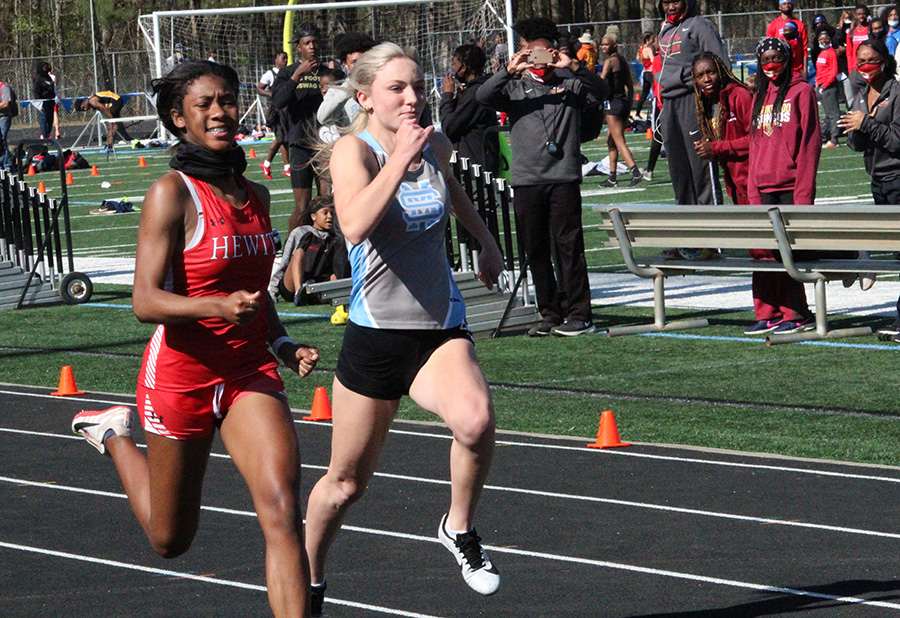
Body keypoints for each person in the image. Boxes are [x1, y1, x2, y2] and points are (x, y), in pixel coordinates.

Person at [69, 61, 319, 618]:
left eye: (226, 100)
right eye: (203, 104)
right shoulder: (170, 194)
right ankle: (112, 435)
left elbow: (256, 295)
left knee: (282, 511)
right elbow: (144, 301)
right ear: (179, 119)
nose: (219, 113)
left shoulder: (255, 193)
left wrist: (281, 344)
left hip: (248, 371)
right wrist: (216, 307)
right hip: (180, 374)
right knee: (169, 540)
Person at [302, 42, 504, 616]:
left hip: (439, 325)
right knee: (345, 484)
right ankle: (311, 575)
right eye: (397, 88)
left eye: (417, 85)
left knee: (476, 420)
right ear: (365, 96)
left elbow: (457, 193)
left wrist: (486, 244)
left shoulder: (432, 142)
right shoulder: (353, 151)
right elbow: (355, 225)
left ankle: (457, 528)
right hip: (378, 334)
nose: (413, 97)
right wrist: (399, 158)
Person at [478, 37, 606, 337]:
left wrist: (571, 64)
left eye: (544, 53)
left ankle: (579, 314)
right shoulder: (514, 87)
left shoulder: (570, 84)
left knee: (569, 248)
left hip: (562, 178)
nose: (539, 60)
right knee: (535, 250)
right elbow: (483, 97)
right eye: (532, 54)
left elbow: (601, 92)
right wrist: (509, 70)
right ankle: (549, 313)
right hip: (527, 181)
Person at [745, 37, 819, 335]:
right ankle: (769, 311)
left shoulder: (802, 91)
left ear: (788, 59)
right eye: (764, 61)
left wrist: (803, 195)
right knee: (766, 253)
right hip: (763, 186)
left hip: (790, 185)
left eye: (776, 58)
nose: (770, 65)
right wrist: (753, 190)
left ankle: (797, 311)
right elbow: (754, 147)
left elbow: (810, 147)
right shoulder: (760, 96)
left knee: (790, 253)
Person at [840, 39, 898, 305]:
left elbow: (897, 140)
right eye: (860, 61)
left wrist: (867, 123)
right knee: (892, 249)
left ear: (884, 61)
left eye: (870, 60)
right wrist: (854, 130)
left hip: (898, 178)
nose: (865, 66)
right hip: (877, 180)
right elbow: (857, 145)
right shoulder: (861, 94)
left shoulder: (896, 93)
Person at [657, 0, 728, 206]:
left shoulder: (700, 25)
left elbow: (719, 62)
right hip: (669, 100)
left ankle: (712, 216)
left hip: (693, 98)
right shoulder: (665, 30)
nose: (671, 7)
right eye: (666, 3)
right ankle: (686, 215)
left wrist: (713, 99)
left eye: (676, 1)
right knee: (678, 166)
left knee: (700, 161)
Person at [271, 22, 326, 231]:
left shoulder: (327, 72)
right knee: (303, 206)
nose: (312, 46)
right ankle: (293, 248)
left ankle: (326, 250)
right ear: (299, 47)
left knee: (326, 201)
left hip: (324, 145)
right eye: (307, 42)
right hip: (300, 144)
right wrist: (297, 76)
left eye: (315, 42)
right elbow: (278, 102)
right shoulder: (287, 73)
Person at [691, 51, 752, 205]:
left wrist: (717, 147)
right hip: (735, 180)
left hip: (753, 179)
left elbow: (756, 139)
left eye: (711, 72)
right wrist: (707, 145)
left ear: (720, 71)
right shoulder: (707, 102)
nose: (706, 79)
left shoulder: (739, 95)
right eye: (700, 76)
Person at [439, 43, 499, 174]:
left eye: (454, 64)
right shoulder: (474, 89)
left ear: (464, 67)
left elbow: (449, 127)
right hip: (475, 161)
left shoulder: (475, 93)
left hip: (476, 166)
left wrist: (447, 95)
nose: (453, 69)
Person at [268, 195, 336, 305]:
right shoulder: (300, 232)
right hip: (293, 283)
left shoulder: (335, 236)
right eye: (325, 213)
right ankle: (299, 293)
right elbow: (284, 263)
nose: (330, 217)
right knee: (299, 252)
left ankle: (334, 293)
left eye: (332, 213)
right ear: (313, 216)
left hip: (319, 281)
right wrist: (272, 292)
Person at [598, 34, 643, 188]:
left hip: (613, 104)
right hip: (622, 102)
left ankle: (635, 172)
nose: (603, 47)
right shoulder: (622, 61)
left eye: (606, 45)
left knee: (618, 141)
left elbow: (601, 81)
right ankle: (612, 177)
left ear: (614, 45)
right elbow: (630, 86)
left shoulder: (609, 61)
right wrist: (629, 105)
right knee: (610, 140)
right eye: (602, 45)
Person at [258, 51, 291, 180]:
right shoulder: (270, 74)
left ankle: (280, 166)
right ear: (276, 60)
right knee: (281, 138)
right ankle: (270, 164)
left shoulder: (288, 72)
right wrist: (272, 95)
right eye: (283, 58)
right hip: (276, 111)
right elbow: (259, 89)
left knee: (284, 138)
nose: (286, 61)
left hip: (287, 109)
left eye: (287, 58)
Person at [815, 27, 842, 148]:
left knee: (833, 114)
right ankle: (827, 136)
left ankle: (834, 139)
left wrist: (825, 85)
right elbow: (820, 71)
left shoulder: (831, 53)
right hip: (821, 86)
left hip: (829, 87)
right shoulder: (821, 53)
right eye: (821, 39)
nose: (823, 41)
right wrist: (817, 83)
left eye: (825, 39)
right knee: (827, 115)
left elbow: (833, 71)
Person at [766, 1, 808, 75]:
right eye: (784, 4)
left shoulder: (800, 25)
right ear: (780, 7)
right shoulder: (773, 25)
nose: (787, 6)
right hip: (780, 70)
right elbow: (769, 49)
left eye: (789, 4)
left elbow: (804, 49)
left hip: (797, 70)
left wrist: (805, 70)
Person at [633, 32, 657, 119]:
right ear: (648, 39)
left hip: (645, 72)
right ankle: (655, 111)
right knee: (656, 92)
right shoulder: (648, 49)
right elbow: (653, 60)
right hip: (650, 73)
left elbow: (638, 58)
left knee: (644, 94)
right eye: (651, 38)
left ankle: (637, 113)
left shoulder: (641, 49)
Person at [32, 62, 55, 140]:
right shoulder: (38, 78)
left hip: (50, 102)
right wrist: (39, 104)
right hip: (43, 102)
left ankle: (48, 135)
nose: (47, 68)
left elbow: (52, 88)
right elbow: (36, 91)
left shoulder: (48, 77)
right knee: (43, 120)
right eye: (45, 67)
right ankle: (45, 137)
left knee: (50, 120)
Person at [0, 80, 17, 171]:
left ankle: (7, 166)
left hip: (3, 117)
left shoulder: (4, 87)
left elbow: (6, 103)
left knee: (2, 141)